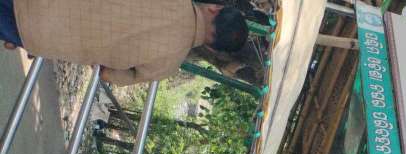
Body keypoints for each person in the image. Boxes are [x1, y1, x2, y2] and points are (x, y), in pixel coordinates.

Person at [2, 0, 248, 87]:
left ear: (214, 8)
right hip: (37, 35)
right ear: (213, 48)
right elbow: (107, 75)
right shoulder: (166, 66)